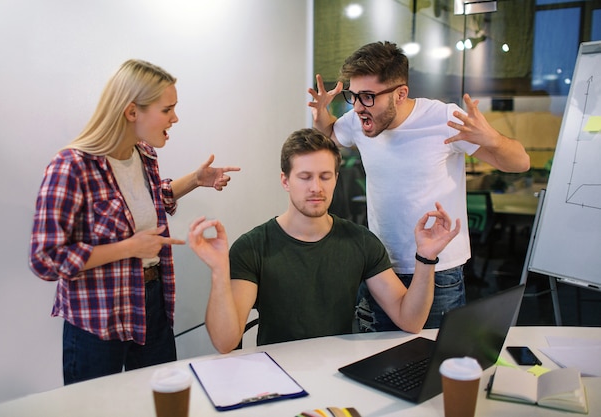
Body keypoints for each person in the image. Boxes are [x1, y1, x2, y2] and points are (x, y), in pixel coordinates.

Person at [28, 59, 240, 384]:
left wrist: (196, 180)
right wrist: (128, 248)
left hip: (152, 301)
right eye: (167, 109)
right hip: (97, 319)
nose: (175, 118)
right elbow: (45, 259)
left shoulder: (143, 154)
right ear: (131, 112)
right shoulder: (70, 166)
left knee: (158, 401)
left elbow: (152, 201)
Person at [307, 41, 530, 331]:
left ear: (400, 94)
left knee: (428, 361)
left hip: (437, 269)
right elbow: (329, 138)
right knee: (372, 360)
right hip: (380, 267)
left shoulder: (443, 119)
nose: (359, 106)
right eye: (354, 95)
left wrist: (493, 138)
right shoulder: (359, 121)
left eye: (368, 96)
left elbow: (519, 163)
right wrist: (322, 116)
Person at [187, 128, 460, 354]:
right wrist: (219, 271)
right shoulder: (253, 247)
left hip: (338, 369)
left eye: (325, 177)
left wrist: (425, 258)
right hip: (278, 374)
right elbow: (225, 342)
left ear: (335, 179)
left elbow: (410, 320)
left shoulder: (361, 241)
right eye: (305, 177)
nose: (316, 187)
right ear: (285, 180)